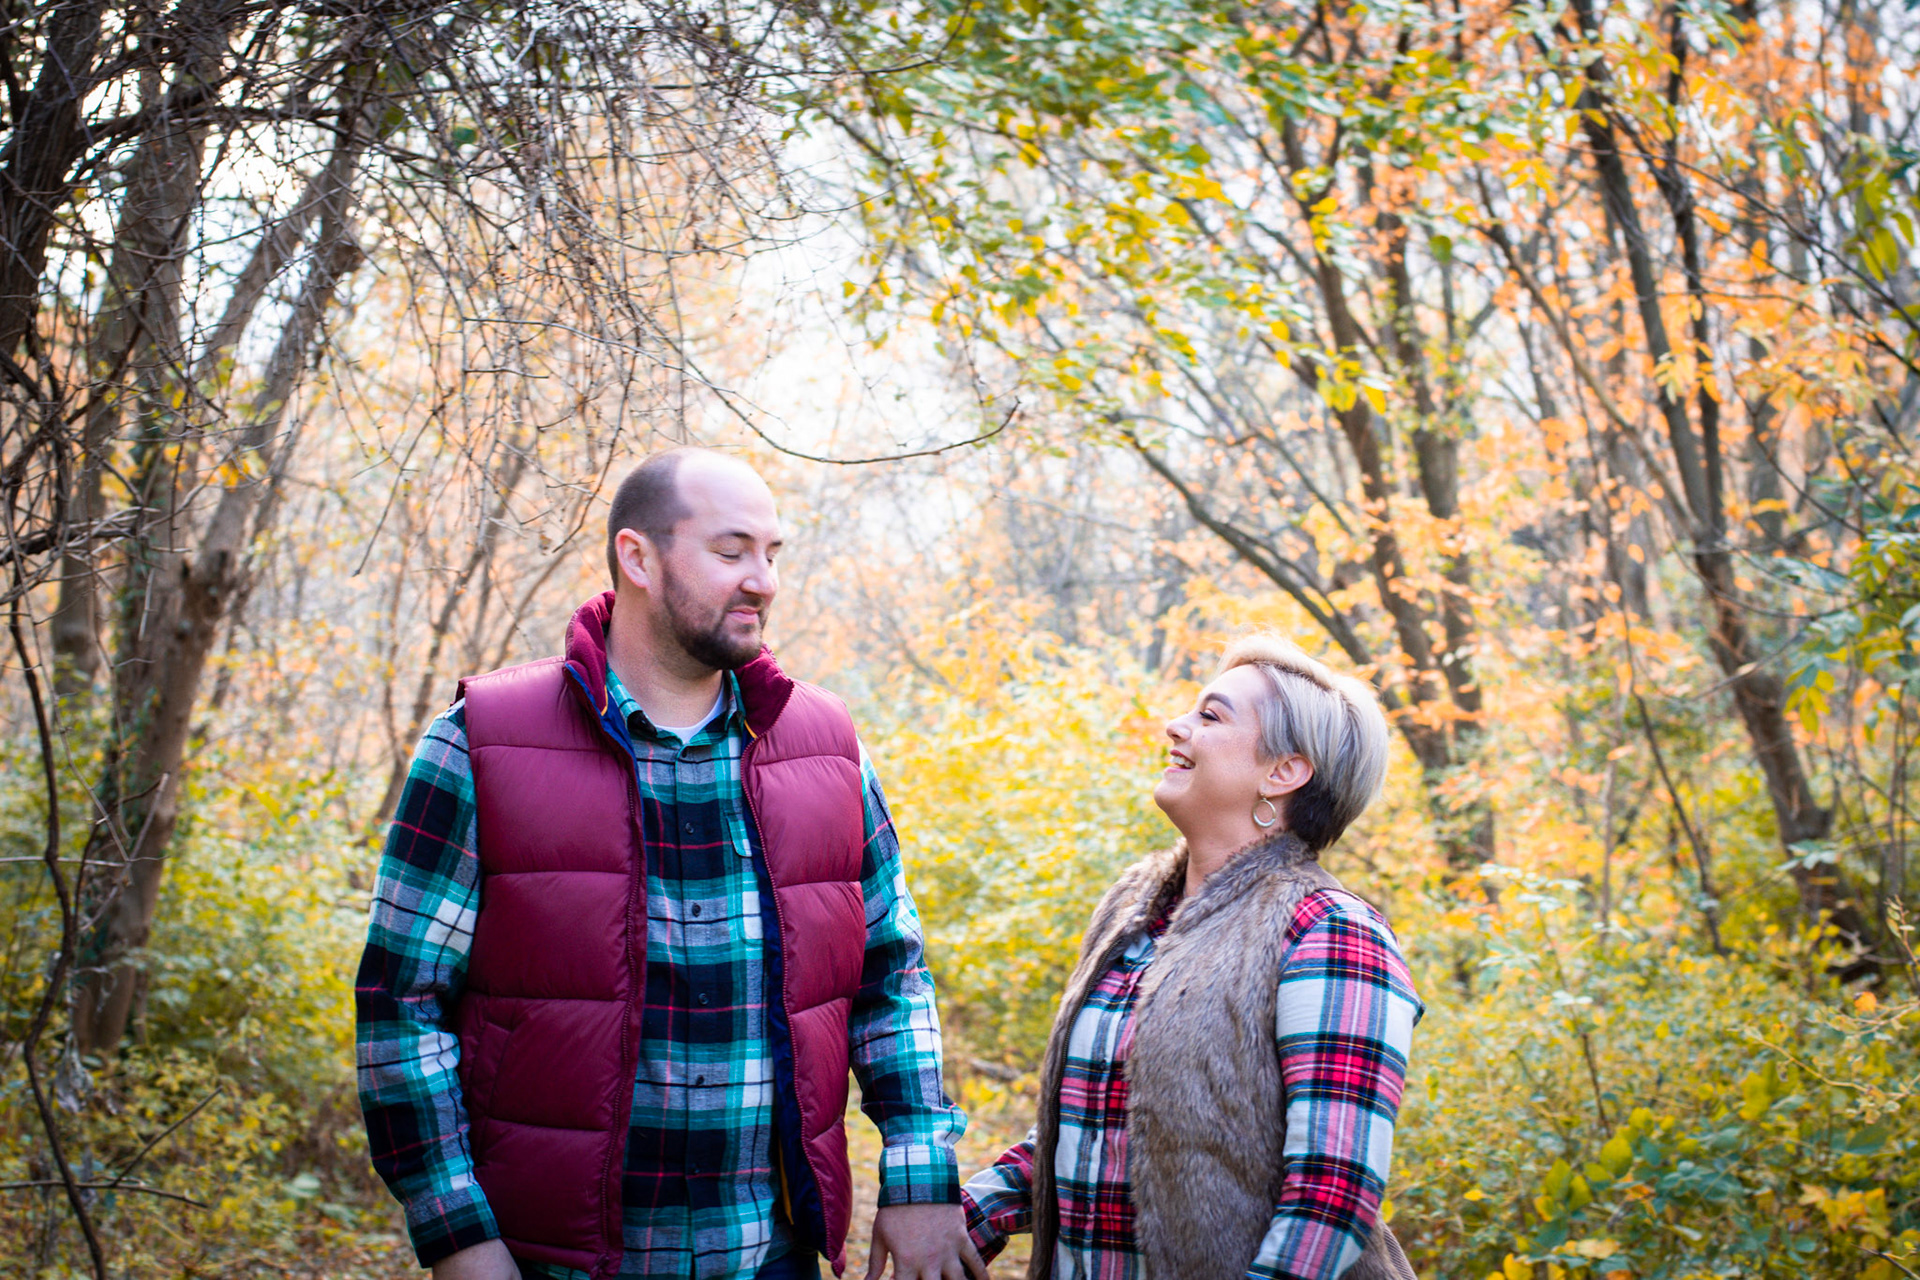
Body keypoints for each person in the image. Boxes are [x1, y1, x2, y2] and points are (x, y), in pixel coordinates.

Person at [355, 448, 986, 1280]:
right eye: (731, 552)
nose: (762, 580)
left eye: (772, 554)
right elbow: (401, 1006)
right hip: (550, 1262)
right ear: (638, 558)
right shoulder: (482, 742)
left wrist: (920, 1176)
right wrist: (458, 1236)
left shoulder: (827, 748)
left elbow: (891, 978)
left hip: (771, 1258)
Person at [961, 636, 1423, 1280]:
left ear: (1283, 771)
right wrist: (962, 1220)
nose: (1175, 726)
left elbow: (1331, 1199)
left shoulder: (1333, 933)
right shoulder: (1132, 908)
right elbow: (1089, 1127)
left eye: (1210, 715)